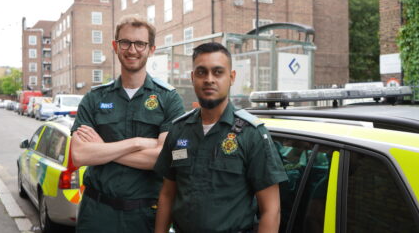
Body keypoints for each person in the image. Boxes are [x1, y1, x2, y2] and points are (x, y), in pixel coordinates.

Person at [154, 42, 288, 233]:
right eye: (201, 72)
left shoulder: (252, 134)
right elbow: (167, 195)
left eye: (218, 72)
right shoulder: (178, 130)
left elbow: (271, 211)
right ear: (192, 78)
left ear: (231, 77)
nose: (209, 79)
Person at [71, 15, 185, 233]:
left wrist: (103, 149)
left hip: (144, 216)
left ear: (151, 49)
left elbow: (169, 158)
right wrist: (137, 143)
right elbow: (79, 155)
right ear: (115, 46)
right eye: (125, 42)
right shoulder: (94, 98)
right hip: (96, 214)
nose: (132, 50)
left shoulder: (169, 99)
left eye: (140, 43)